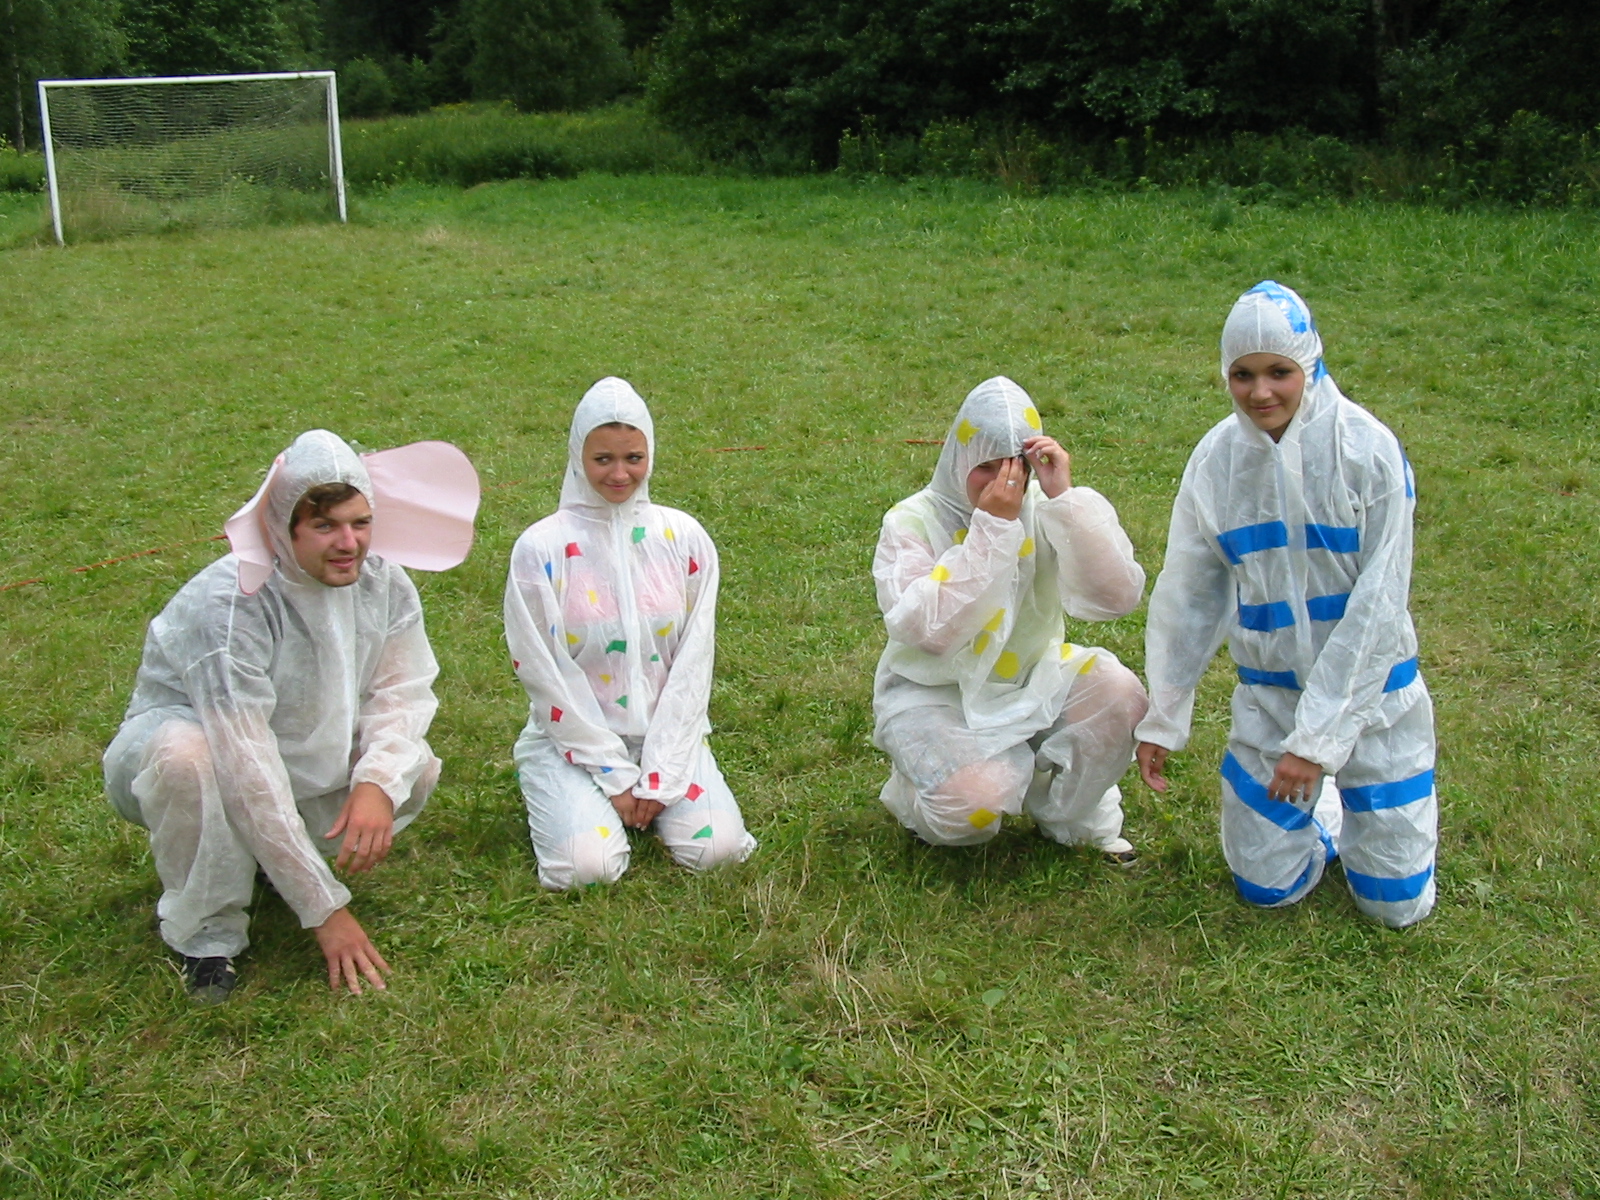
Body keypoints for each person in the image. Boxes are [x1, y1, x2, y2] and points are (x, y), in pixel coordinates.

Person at [103, 430, 480, 1002]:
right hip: (195, 754)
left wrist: (377, 784)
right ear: (284, 527)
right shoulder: (233, 604)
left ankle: (270, 864)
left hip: (298, 744)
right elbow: (245, 762)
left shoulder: (383, 581)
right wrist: (325, 910)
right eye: (325, 526)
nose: (349, 543)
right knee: (188, 757)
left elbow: (402, 692)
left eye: (360, 522)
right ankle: (207, 937)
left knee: (413, 765)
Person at [1135, 281, 1437, 928]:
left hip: (1374, 699)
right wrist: (1163, 716)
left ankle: (1351, 797)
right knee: (1265, 888)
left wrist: (1321, 739)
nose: (1260, 392)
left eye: (1279, 372)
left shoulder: (1367, 451)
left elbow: (1379, 608)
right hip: (1271, 697)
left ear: (1312, 366)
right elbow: (1189, 594)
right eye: (1242, 375)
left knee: (1396, 906)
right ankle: (1323, 815)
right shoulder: (1217, 461)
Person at [871, 376, 1149, 857]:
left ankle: (1069, 814)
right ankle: (920, 790)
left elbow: (1113, 598)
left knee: (1120, 695)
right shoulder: (912, 520)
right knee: (971, 809)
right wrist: (992, 531)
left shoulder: (1044, 509)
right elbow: (928, 632)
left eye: (1019, 465)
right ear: (958, 460)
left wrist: (1065, 500)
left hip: (1032, 674)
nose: (1006, 482)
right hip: (935, 691)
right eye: (986, 467)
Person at [505, 377, 757, 890]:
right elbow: (543, 672)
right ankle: (561, 786)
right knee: (587, 870)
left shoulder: (683, 538)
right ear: (578, 456)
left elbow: (693, 663)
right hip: (572, 742)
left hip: (669, 737)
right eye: (603, 459)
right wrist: (614, 776)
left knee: (719, 851)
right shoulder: (541, 548)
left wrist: (662, 771)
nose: (620, 474)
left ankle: (656, 793)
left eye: (633, 458)